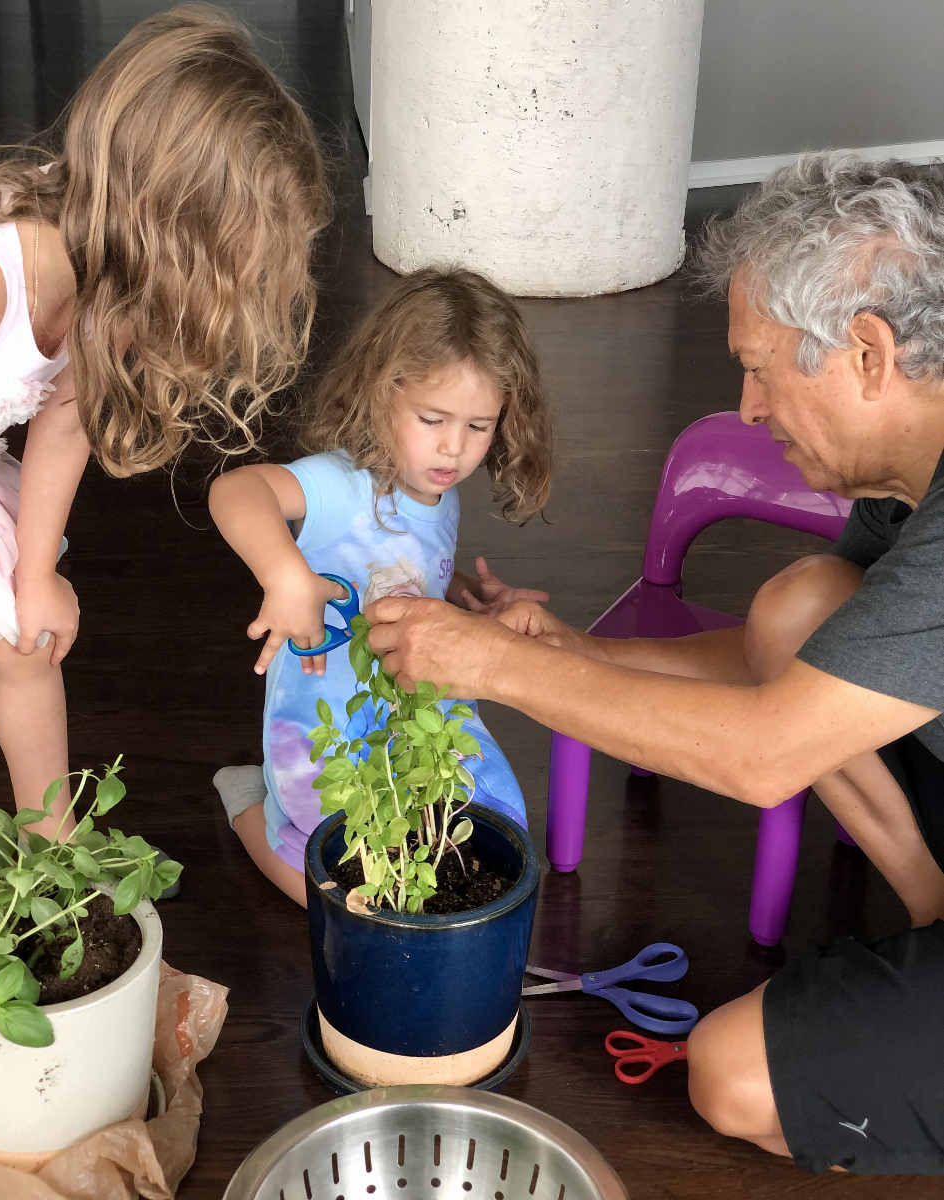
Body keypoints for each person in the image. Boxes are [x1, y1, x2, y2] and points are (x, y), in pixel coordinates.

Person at [365, 155, 944, 1175]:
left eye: (762, 369)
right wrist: (583, 655)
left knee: (729, 1079)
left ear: (865, 353)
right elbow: (812, 669)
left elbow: (767, 754)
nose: (749, 407)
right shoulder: (907, 475)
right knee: (801, 604)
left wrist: (492, 667)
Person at [0, 6, 327, 841]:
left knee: (27, 635)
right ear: (167, 229)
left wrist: (32, 572)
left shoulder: (103, 287)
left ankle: (44, 842)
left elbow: (66, 420)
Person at [209, 267, 553, 907]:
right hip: (330, 731)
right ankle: (248, 807)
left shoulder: (438, 492)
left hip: (420, 714)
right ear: (381, 391)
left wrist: (461, 612)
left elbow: (399, 578)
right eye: (432, 418)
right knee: (333, 888)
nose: (454, 447)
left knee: (497, 835)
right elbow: (236, 490)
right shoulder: (342, 485)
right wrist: (285, 575)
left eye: (479, 426)